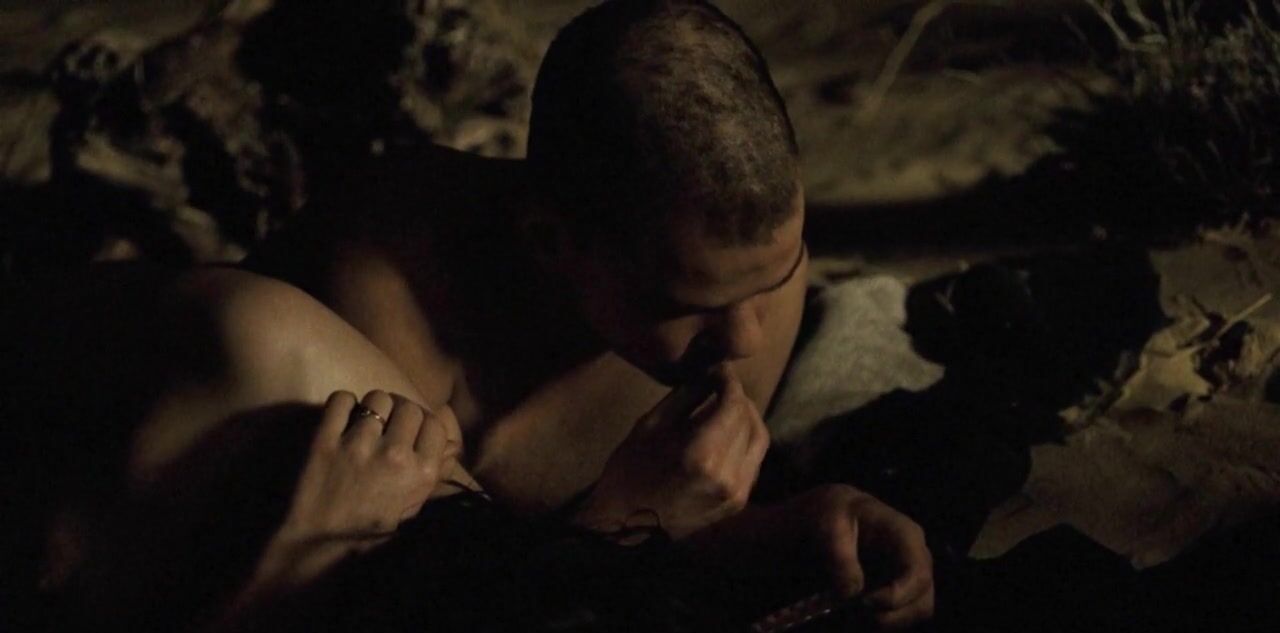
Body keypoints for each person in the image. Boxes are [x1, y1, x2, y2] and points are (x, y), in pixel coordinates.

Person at [246, 0, 935, 628]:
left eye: (775, 281)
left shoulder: (743, 278)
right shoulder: (380, 301)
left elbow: (674, 532)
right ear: (552, 242)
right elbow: (423, 609)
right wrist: (620, 521)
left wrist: (799, 528)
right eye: (690, 305)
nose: (745, 338)